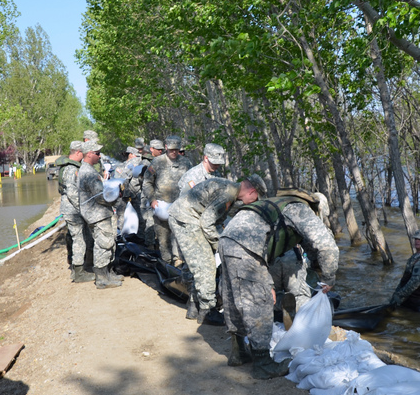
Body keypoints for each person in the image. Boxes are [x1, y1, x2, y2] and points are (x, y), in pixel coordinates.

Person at [218, 193, 339, 378]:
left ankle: (238, 351)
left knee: (234, 296)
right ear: (316, 208)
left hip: (227, 239)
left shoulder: (281, 204)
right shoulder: (301, 210)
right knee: (259, 301)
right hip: (247, 246)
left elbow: (302, 244)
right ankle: (262, 363)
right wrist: (329, 278)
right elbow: (327, 246)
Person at [169, 175, 266, 324]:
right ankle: (207, 310)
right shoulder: (228, 193)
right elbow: (207, 223)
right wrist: (219, 246)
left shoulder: (231, 191)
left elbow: (216, 219)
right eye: (256, 198)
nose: (254, 202)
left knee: (196, 264)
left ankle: (194, 306)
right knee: (206, 264)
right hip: (186, 219)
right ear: (252, 191)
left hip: (186, 217)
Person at [78, 141, 122, 288]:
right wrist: (117, 196)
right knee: (104, 244)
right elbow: (101, 197)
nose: (99, 156)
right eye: (97, 153)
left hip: (99, 213)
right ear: (89, 153)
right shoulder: (89, 173)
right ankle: (102, 279)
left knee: (108, 242)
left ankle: (107, 273)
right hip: (97, 214)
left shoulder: (88, 170)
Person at [142, 135, 192, 264]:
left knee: (179, 237)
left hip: (180, 207)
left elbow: (192, 183)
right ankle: (167, 265)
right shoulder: (157, 162)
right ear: (165, 148)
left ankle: (178, 264)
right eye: (171, 150)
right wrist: (152, 200)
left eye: (176, 149)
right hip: (161, 206)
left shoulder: (186, 163)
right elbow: (147, 182)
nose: (174, 152)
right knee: (163, 239)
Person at [57, 141, 93, 283]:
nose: (84, 157)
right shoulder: (71, 169)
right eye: (82, 154)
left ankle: (78, 268)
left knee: (77, 238)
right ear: (77, 153)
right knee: (79, 240)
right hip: (73, 210)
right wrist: (84, 208)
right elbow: (73, 193)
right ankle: (79, 273)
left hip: (70, 209)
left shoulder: (67, 167)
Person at [389, 229, 420, 311]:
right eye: (416, 239)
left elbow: (414, 282)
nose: (417, 241)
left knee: (416, 322)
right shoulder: (415, 257)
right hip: (407, 300)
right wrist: (396, 295)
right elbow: (405, 279)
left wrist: (399, 295)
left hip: (418, 303)